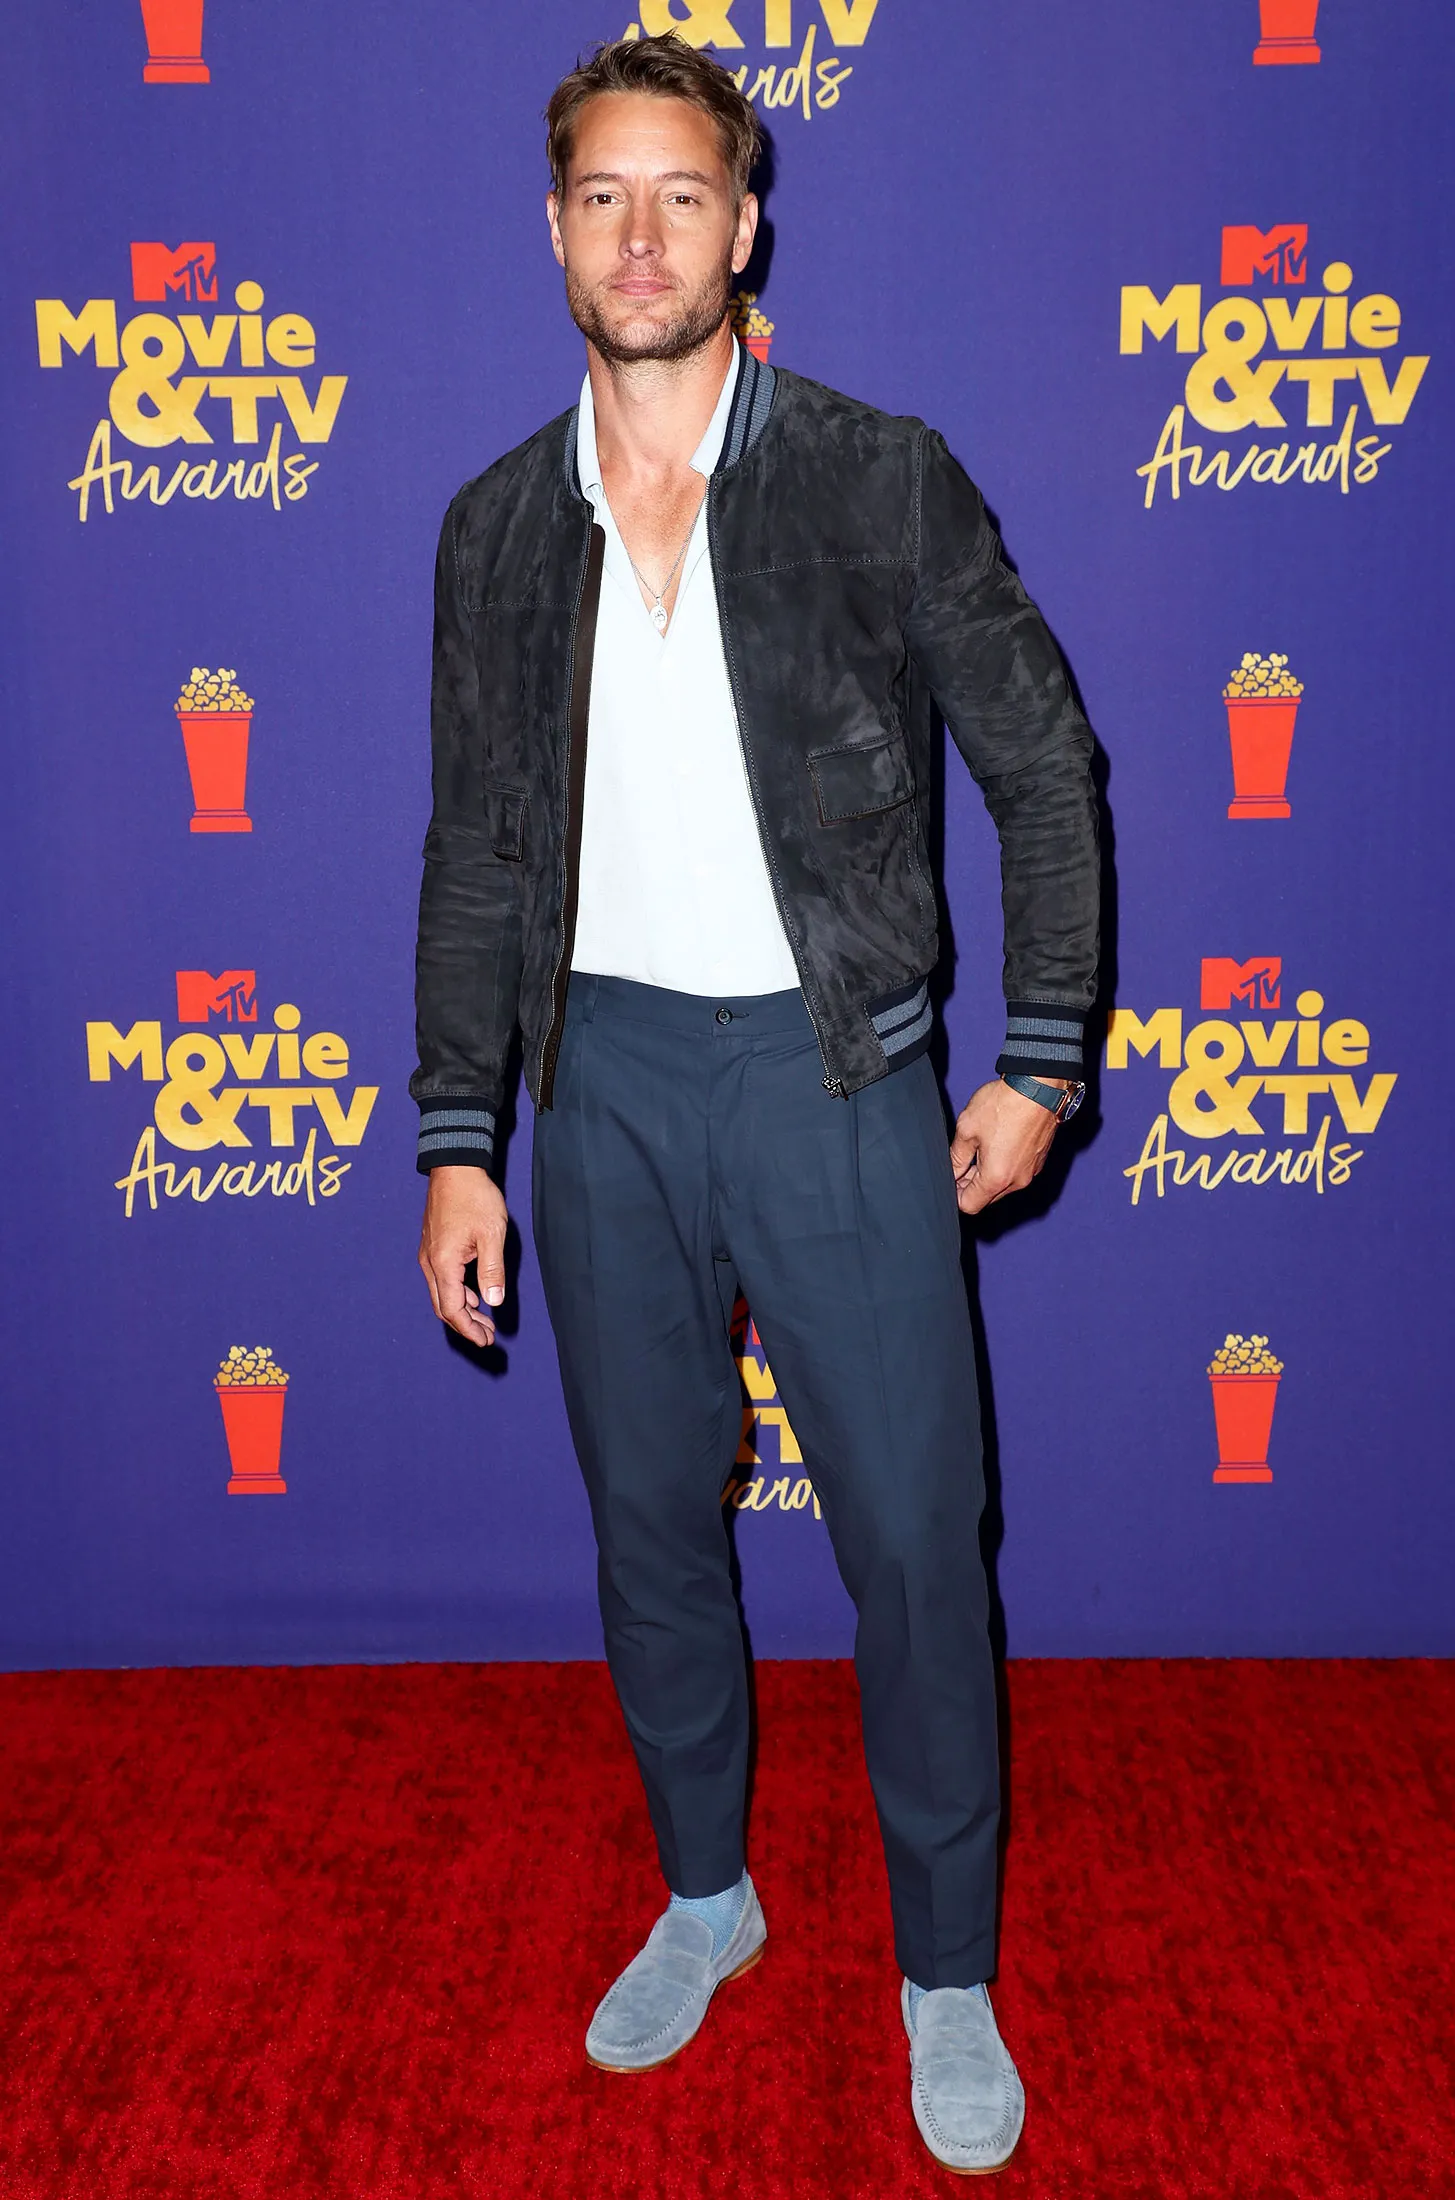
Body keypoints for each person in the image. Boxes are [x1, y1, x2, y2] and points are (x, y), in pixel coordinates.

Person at [413, 32, 1098, 2176]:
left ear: (744, 229)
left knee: (909, 1538)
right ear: (553, 230)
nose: (641, 237)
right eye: (603, 197)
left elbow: (1044, 767)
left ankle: (944, 1969)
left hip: (835, 1074)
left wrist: (1044, 1053)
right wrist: (457, 1135)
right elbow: (475, 857)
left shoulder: (878, 478)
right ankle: (707, 1893)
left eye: (682, 196)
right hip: (603, 1082)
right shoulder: (490, 530)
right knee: (647, 1524)